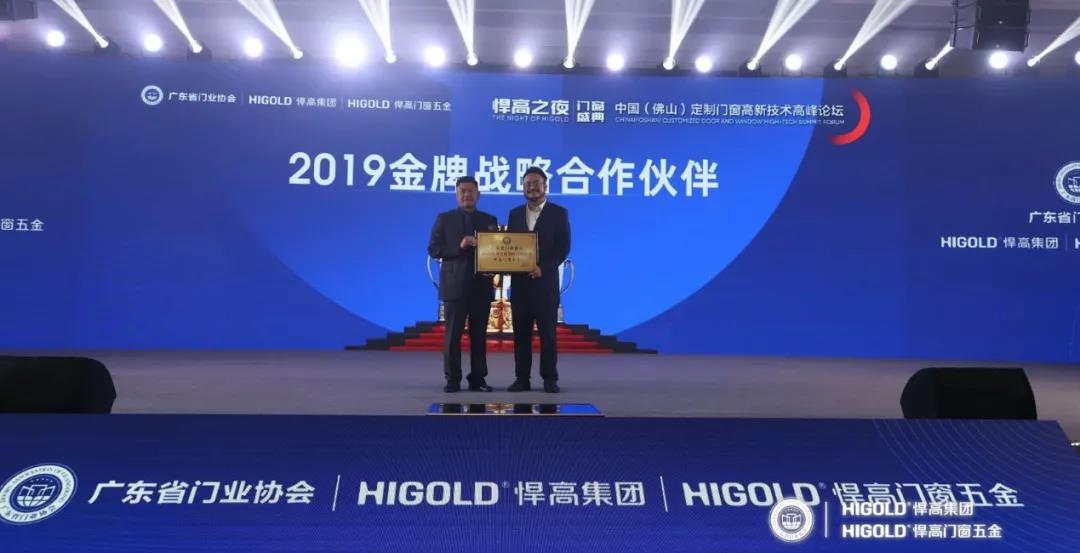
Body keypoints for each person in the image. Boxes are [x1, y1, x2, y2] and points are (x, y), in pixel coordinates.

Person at [427, 176, 498, 393]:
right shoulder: (444, 219)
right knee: (452, 336)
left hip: (481, 286)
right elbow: (434, 249)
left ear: (479, 194)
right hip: (454, 286)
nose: (467, 195)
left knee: (479, 336)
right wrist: (459, 246)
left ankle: (478, 378)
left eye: (471, 191)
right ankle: (452, 378)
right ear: (456, 195)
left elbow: (496, 251)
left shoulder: (489, 220)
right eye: (462, 191)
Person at [506, 167, 571, 393]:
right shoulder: (515, 214)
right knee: (521, 335)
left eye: (536, 183)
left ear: (545, 186)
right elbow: (509, 246)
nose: (531, 187)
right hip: (520, 286)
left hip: (546, 286)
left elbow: (563, 248)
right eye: (527, 184)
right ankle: (522, 378)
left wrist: (543, 268)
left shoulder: (559, 213)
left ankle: (550, 379)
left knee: (548, 335)